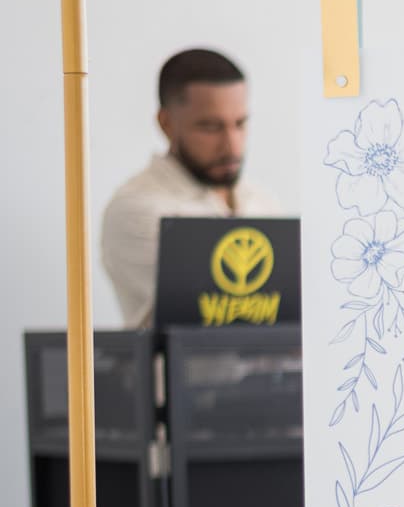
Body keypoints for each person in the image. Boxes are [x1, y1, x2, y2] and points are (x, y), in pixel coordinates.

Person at [101, 48, 282, 328]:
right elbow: (226, 310)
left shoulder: (261, 201)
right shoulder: (136, 210)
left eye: (240, 124)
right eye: (211, 127)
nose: (232, 146)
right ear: (166, 124)